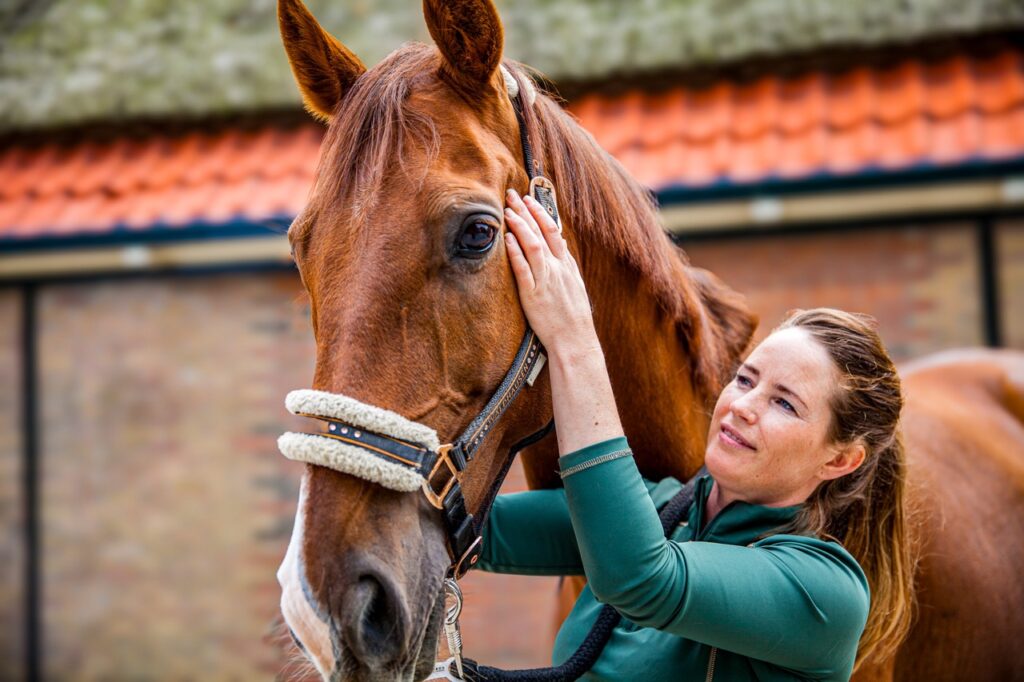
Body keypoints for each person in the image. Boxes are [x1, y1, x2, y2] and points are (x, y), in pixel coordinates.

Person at [474, 188, 915, 681]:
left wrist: (573, 339)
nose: (743, 406)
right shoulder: (663, 510)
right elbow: (468, 526)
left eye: (785, 403)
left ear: (840, 460)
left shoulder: (826, 593)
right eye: (746, 379)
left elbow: (640, 578)